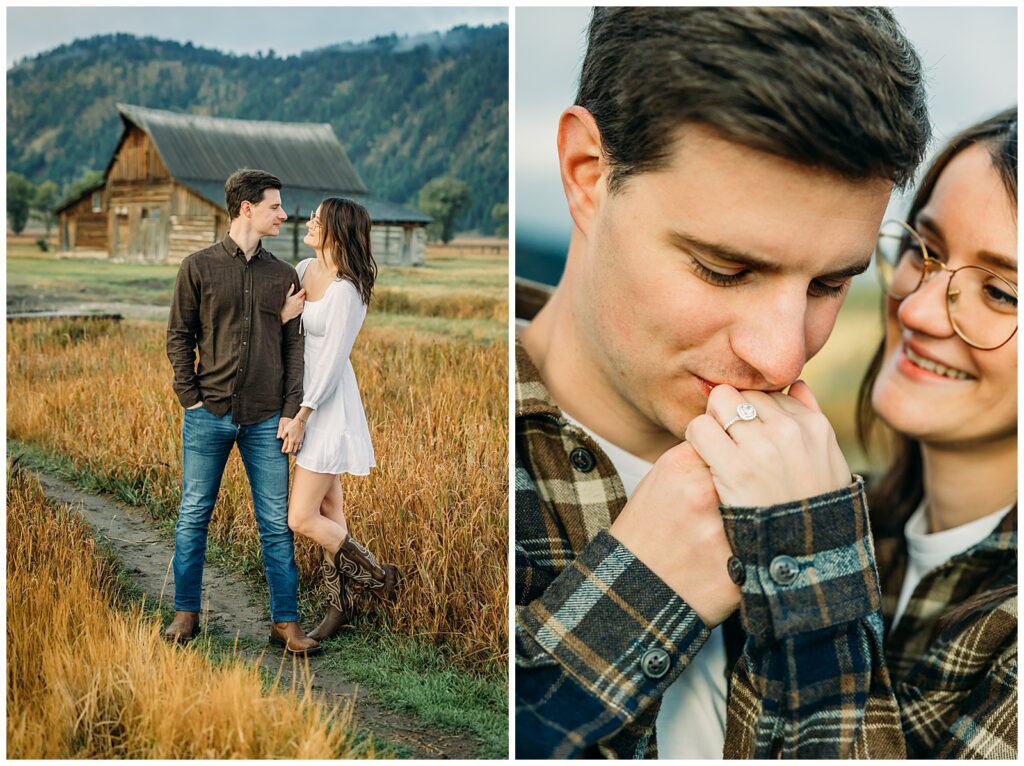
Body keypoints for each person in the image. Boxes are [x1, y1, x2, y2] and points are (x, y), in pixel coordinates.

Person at [514, 7, 931, 758]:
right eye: (725, 269)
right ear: (587, 174)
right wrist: (638, 597)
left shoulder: (862, 512)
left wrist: (817, 587)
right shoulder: (462, 451)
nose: (779, 359)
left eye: (830, 285)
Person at [682, 108, 1017, 758]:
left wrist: (810, 553)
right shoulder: (861, 518)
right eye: (925, 251)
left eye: (1001, 292)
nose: (917, 309)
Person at [165, 168, 320, 656]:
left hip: (264, 419)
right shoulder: (198, 267)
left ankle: (285, 623)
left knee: (274, 521)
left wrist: (291, 410)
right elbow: (178, 337)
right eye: (275, 205)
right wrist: (190, 397)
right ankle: (186, 612)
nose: (284, 213)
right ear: (247, 208)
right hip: (207, 413)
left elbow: (294, 347)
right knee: (194, 514)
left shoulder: (284, 275)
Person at [277, 197, 399, 641]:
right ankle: (339, 608)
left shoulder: (348, 290)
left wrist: (303, 415)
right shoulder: (304, 267)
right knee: (331, 509)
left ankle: (378, 576)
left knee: (301, 517)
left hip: (325, 406)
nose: (308, 221)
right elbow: (289, 326)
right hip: (301, 398)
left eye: (317, 217)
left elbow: (331, 361)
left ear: (336, 228)